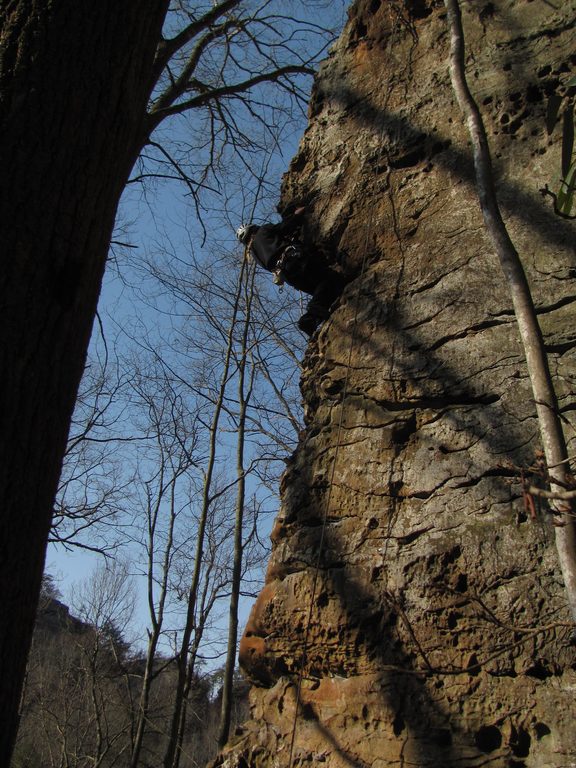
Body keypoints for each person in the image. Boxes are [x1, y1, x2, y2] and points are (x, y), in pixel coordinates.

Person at [236, 208, 347, 336]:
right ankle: (313, 313)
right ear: (253, 229)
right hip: (295, 261)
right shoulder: (263, 231)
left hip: (288, 276)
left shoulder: (255, 255)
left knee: (322, 291)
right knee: (327, 279)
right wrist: (296, 215)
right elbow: (285, 227)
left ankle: (310, 320)